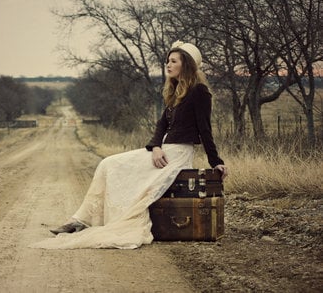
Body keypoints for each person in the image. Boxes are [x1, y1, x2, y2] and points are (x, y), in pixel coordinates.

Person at [29, 41, 228, 249]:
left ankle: (92, 222)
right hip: (163, 151)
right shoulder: (176, 90)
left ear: (185, 64)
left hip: (177, 155)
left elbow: (205, 129)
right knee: (107, 164)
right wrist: (156, 147)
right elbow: (162, 125)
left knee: (111, 165)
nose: (168, 65)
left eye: (173, 61)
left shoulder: (200, 91)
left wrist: (216, 162)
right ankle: (82, 220)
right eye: (167, 61)